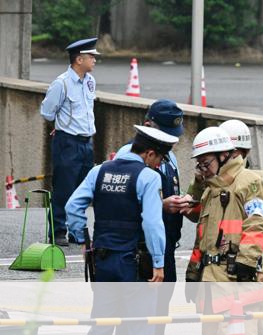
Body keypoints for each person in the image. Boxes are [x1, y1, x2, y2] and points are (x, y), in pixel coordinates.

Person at [184, 120, 263, 335]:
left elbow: (262, 224)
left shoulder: (253, 182)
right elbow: (204, 235)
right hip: (214, 281)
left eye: (205, 163)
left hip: (241, 278)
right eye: (200, 164)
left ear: (228, 153)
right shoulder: (211, 189)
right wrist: (193, 273)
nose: (203, 169)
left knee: (260, 327)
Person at [65, 125, 177, 335]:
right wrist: (159, 263)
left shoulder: (99, 171)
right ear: (150, 153)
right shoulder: (149, 177)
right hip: (134, 263)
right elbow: (153, 224)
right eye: (160, 159)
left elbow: (72, 207)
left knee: (102, 324)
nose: (159, 164)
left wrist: (83, 240)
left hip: (102, 261)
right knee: (137, 326)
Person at [113, 99, 188, 335]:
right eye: (165, 135)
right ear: (147, 125)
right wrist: (161, 205)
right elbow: (121, 203)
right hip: (139, 250)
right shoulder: (128, 155)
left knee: (160, 313)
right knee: (135, 318)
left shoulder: (170, 157)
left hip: (166, 246)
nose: (171, 142)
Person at [40, 37, 100, 246]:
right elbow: (47, 112)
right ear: (78, 59)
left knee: (84, 189)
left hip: (86, 142)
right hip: (67, 142)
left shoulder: (90, 81)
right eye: (91, 56)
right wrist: (61, 125)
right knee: (64, 189)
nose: (94, 59)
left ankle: (77, 231)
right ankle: (57, 231)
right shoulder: (62, 83)